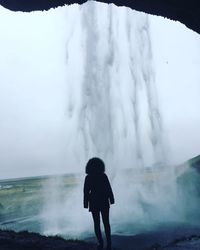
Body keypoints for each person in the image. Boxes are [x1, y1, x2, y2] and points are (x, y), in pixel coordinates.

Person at [83, 157, 115, 250]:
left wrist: (86, 203)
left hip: (94, 202)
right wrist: (111, 199)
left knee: (96, 224)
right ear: (101, 166)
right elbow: (108, 189)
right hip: (104, 201)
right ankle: (109, 244)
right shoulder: (103, 175)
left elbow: (86, 192)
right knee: (106, 223)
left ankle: (100, 244)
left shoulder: (88, 177)